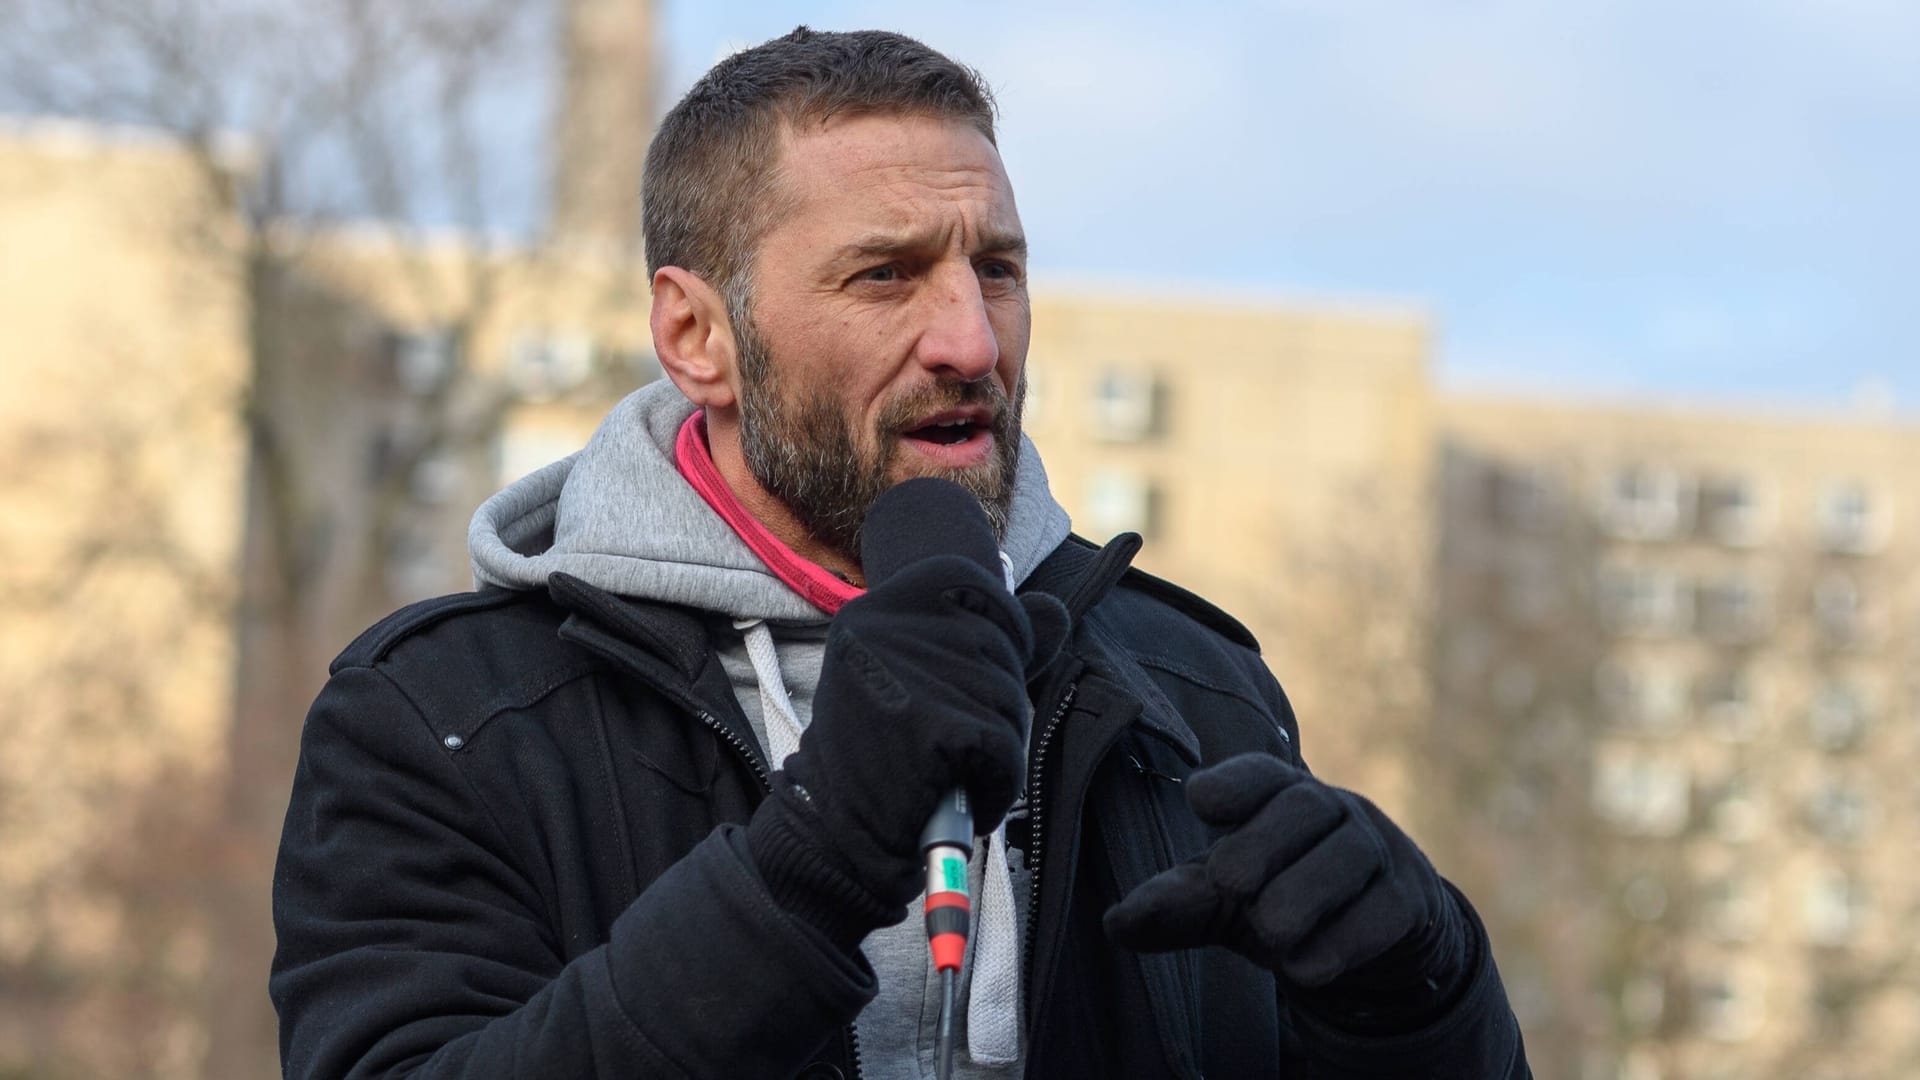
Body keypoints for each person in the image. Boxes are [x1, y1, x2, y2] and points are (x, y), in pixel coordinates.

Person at [271, 27, 1530, 1080]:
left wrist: (1420, 996)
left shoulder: (1192, 689)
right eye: (885, 276)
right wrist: (818, 856)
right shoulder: (441, 718)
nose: (971, 342)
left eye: (998, 269)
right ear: (697, 334)